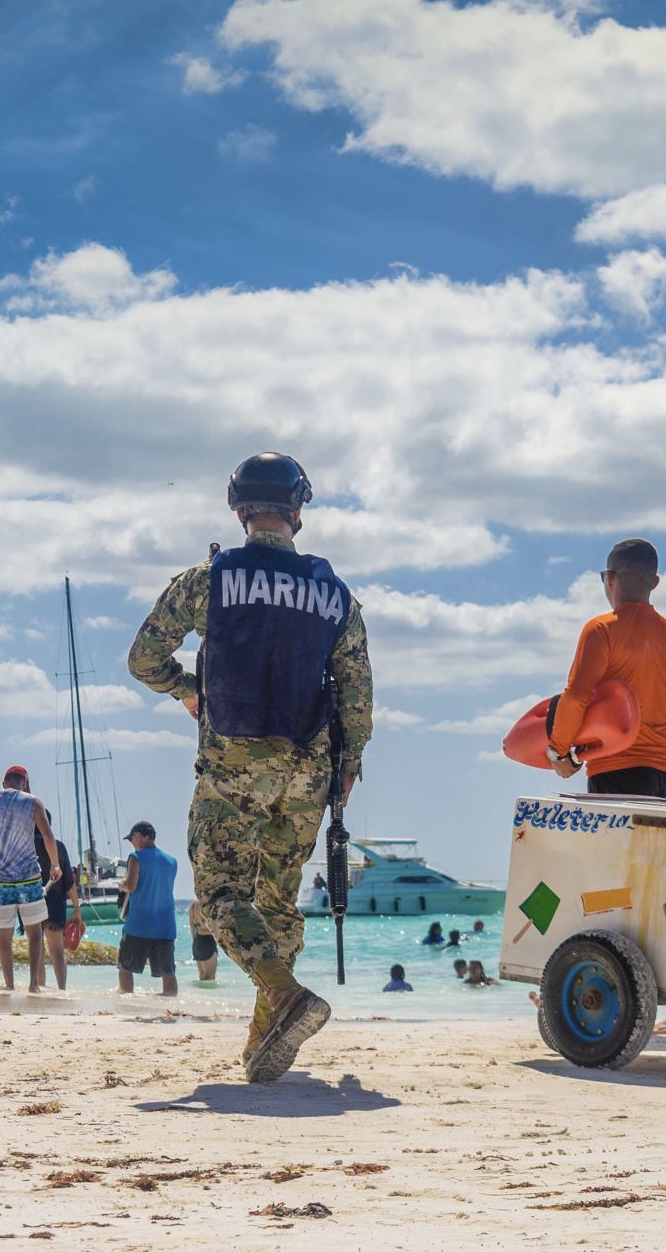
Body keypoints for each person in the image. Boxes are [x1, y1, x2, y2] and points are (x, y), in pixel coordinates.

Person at [128, 452, 373, 1083]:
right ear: (298, 511)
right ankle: (267, 1038)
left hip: (234, 761)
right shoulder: (333, 592)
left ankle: (285, 998)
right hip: (309, 766)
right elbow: (355, 692)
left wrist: (188, 689)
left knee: (219, 895)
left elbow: (143, 657)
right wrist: (349, 765)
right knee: (278, 901)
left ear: (239, 512)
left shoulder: (209, 579)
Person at [545, 538, 666, 1038]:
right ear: (655, 583)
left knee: (602, 885)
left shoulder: (601, 630)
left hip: (613, 773)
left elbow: (577, 695)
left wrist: (560, 752)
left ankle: (587, 978)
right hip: (658, 776)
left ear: (610, 579)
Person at [0, 766, 62, 993]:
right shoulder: (33, 802)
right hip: (29, 876)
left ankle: (9, 985)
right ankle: (33, 984)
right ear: (25, 783)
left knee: (4, 935)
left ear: (4, 782)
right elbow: (48, 836)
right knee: (34, 932)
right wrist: (55, 865)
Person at [116, 823, 178, 997]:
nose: (132, 844)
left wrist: (121, 885)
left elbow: (131, 885)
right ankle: (171, 1005)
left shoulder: (136, 857)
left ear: (138, 836)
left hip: (139, 924)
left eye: (132, 840)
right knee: (168, 972)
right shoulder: (172, 861)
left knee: (125, 968)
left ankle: (126, 1001)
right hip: (165, 926)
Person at [35, 828, 79, 990]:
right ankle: (62, 989)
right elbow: (69, 881)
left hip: (31, 900)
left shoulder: (26, 845)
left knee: (36, 949)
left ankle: (39, 986)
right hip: (55, 901)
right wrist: (77, 908)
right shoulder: (58, 846)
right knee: (57, 952)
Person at [190, 902, 219, 984]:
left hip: (197, 941)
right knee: (209, 977)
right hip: (207, 942)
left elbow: (192, 926)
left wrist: (195, 941)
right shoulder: (203, 905)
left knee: (202, 976)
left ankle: (201, 995)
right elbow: (204, 926)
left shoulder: (192, 906)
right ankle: (208, 996)